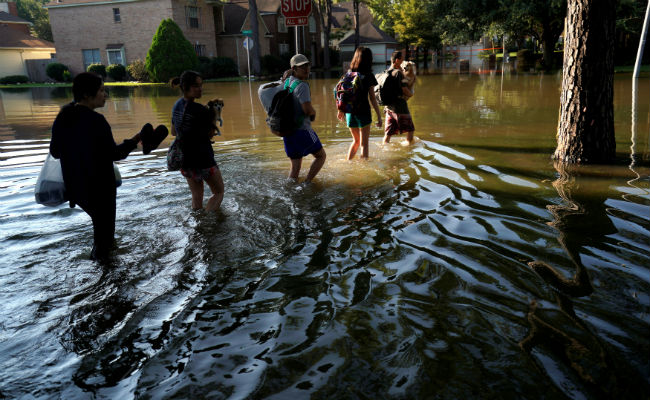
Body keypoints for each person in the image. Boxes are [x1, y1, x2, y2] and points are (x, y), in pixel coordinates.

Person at [50, 72, 142, 261]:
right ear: (86, 94)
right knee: (105, 236)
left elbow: (55, 152)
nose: (105, 94)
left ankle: (103, 265)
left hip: (76, 188)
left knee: (100, 229)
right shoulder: (96, 121)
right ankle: (106, 278)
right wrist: (134, 140)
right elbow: (115, 154)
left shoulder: (63, 116)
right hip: (100, 187)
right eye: (101, 90)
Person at [170, 70, 224, 212]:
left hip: (185, 161)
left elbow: (173, 132)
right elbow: (210, 134)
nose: (200, 89)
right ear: (185, 87)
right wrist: (214, 114)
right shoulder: (199, 109)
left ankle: (198, 227)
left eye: (201, 85)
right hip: (203, 159)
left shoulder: (176, 106)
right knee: (218, 192)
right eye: (196, 86)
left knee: (196, 196)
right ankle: (208, 223)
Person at [282, 54, 326, 183]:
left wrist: (289, 72)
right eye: (302, 66)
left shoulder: (287, 82)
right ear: (294, 69)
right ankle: (307, 183)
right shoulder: (303, 86)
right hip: (303, 130)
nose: (307, 69)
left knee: (295, 166)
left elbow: (284, 76)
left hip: (288, 131)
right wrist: (313, 113)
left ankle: (291, 188)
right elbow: (307, 110)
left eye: (307, 65)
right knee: (321, 156)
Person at [337, 47, 382, 160]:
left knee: (355, 141)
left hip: (350, 113)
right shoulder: (368, 76)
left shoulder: (348, 74)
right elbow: (372, 98)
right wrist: (379, 116)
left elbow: (342, 94)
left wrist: (340, 110)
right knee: (364, 145)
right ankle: (364, 169)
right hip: (363, 112)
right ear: (369, 59)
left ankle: (349, 162)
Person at [382, 51, 415, 145]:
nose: (403, 61)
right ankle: (408, 150)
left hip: (388, 107)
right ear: (397, 60)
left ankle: (385, 148)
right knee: (410, 130)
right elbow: (404, 89)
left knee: (388, 134)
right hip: (400, 106)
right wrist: (411, 94)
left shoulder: (386, 71)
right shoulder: (399, 74)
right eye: (402, 59)